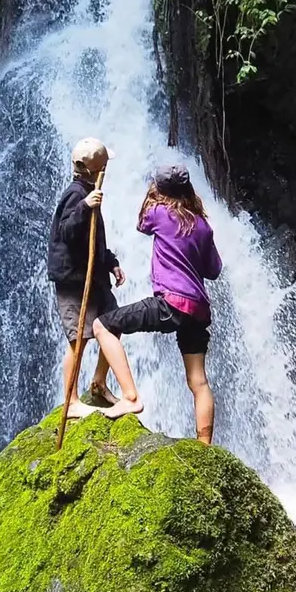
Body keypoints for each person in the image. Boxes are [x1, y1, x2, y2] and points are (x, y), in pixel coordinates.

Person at [93, 165, 223, 444]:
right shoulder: (202, 225)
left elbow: (142, 223)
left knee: (103, 325)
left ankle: (129, 396)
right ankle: (204, 445)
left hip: (170, 304)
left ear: (161, 191)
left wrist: (152, 195)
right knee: (198, 381)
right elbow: (214, 270)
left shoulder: (161, 214)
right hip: (198, 310)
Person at [48, 138, 126, 419]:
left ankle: (98, 383)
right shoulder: (75, 195)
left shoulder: (87, 192)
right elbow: (67, 233)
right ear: (96, 170)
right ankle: (69, 401)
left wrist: (112, 263)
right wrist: (84, 205)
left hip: (94, 278)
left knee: (113, 323)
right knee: (78, 341)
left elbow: (91, 242)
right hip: (73, 282)